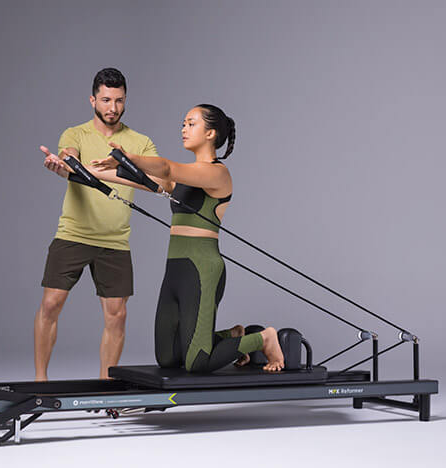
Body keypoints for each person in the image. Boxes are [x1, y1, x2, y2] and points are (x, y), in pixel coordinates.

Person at [43, 104, 284, 372]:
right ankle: (233, 337)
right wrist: (69, 170)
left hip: (202, 267)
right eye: (183, 123)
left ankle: (264, 338)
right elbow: (119, 177)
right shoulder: (182, 179)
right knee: (168, 357)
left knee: (197, 362)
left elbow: (167, 169)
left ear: (211, 133)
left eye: (191, 124)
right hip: (176, 267)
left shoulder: (218, 173)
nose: (183, 128)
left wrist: (127, 156)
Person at [34, 68, 158, 381]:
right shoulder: (75, 133)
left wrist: (123, 162)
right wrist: (61, 165)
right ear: (93, 100)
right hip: (73, 235)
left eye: (118, 100)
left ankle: (106, 385)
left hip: (114, 241)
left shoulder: (138, 142)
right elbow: (69, 158)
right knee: (50, 304)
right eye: (105, 100)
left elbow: (158, 181)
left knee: (117, 316)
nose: (112, 107)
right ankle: (39, 380)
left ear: (126, 100)